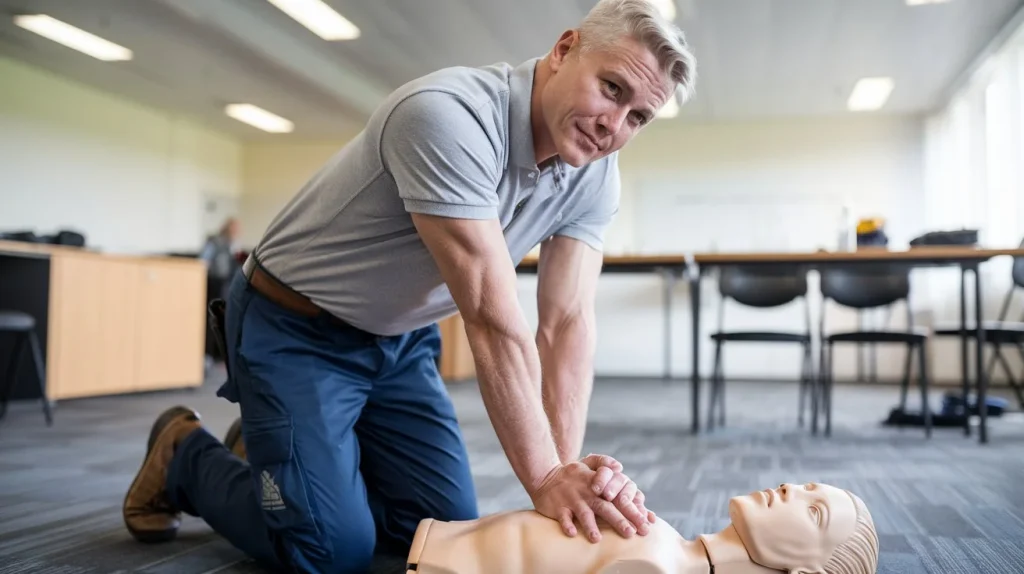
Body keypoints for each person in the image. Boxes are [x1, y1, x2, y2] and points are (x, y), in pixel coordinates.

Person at [122, 1, 697, 572]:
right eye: (612, 88)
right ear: (565, 49)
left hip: (399, 341)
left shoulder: (594, 173)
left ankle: (282, 453)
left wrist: (564, 472)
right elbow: (492, 318)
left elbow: (567, 321)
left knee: (434, 537)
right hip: (294, 328)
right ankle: (186, 454)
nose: (613, 126)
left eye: (638, 117)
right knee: (331, 552)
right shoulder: (448, 115)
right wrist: (545, 478)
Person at [405, 482, 879, 574]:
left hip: (441, 561)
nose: (790, 488)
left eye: (814, 510)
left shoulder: (658, 566)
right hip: (445, 541)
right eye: (806, 485)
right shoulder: (668, 544)